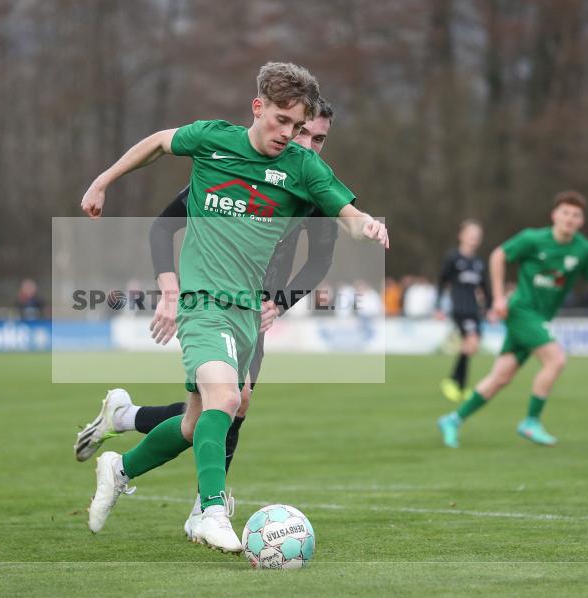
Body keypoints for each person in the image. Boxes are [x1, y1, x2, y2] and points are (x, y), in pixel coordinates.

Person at [79, 62, 388, 553]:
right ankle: (211, 510)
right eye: (282, 122)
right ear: (258, 107)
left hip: (248, 313)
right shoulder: (212, 140)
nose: (290, 135)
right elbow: (160, 142)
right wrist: (103, 179)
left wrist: (366, 223)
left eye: (300, 127)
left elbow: (342, 213)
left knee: (196, 420)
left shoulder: (303, 169)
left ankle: (119, 467)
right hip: (203, 302)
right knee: (226, 399)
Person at [437, 191, 588, 448]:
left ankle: (453, 419)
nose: (570, 218)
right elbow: (499, 255)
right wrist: (499, 298)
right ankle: (531, 421)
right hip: (522, 311)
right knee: (556, 359)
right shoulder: (533, 239)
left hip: (539, 318)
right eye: (565, 212)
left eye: (576, 215)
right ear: (554, 215)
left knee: (500, 377)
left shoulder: (584, 250)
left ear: (581, 221)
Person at [435, 219, 491, 402]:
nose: (474, 239)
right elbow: (442, 282)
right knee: (471, 342)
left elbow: (485, 287)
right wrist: (437, 306)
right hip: (459, 309)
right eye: (470, 235)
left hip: (474, 310)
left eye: (477, 236)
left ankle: (460, 385)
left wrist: (489, 308)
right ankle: (452, 381)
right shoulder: (453, 258)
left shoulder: (478, 263)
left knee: (470, 347)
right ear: (461, 236)